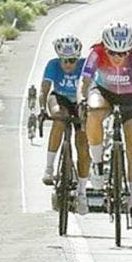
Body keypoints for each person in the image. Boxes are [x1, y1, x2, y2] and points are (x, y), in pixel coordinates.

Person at [79, 21, 132, 229]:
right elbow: (85, 81)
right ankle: (97, 165)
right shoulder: (96, 54)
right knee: (94, 112)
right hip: (104, 92)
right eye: (113, 52)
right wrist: (81, 97)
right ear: (105, 47)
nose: (118, 57)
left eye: (123, 53)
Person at [39, 35, 92, 213]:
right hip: (59, 97)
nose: (68, 65)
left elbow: (94, 87)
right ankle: (49, 168)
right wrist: (41, 109)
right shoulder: (52, 65)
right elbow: (44, 89)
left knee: (83, 145)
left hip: (80, 101)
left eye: (72, 60)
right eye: (64, 60)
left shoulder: (85, 65)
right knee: (59, 120)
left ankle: (82, 193)